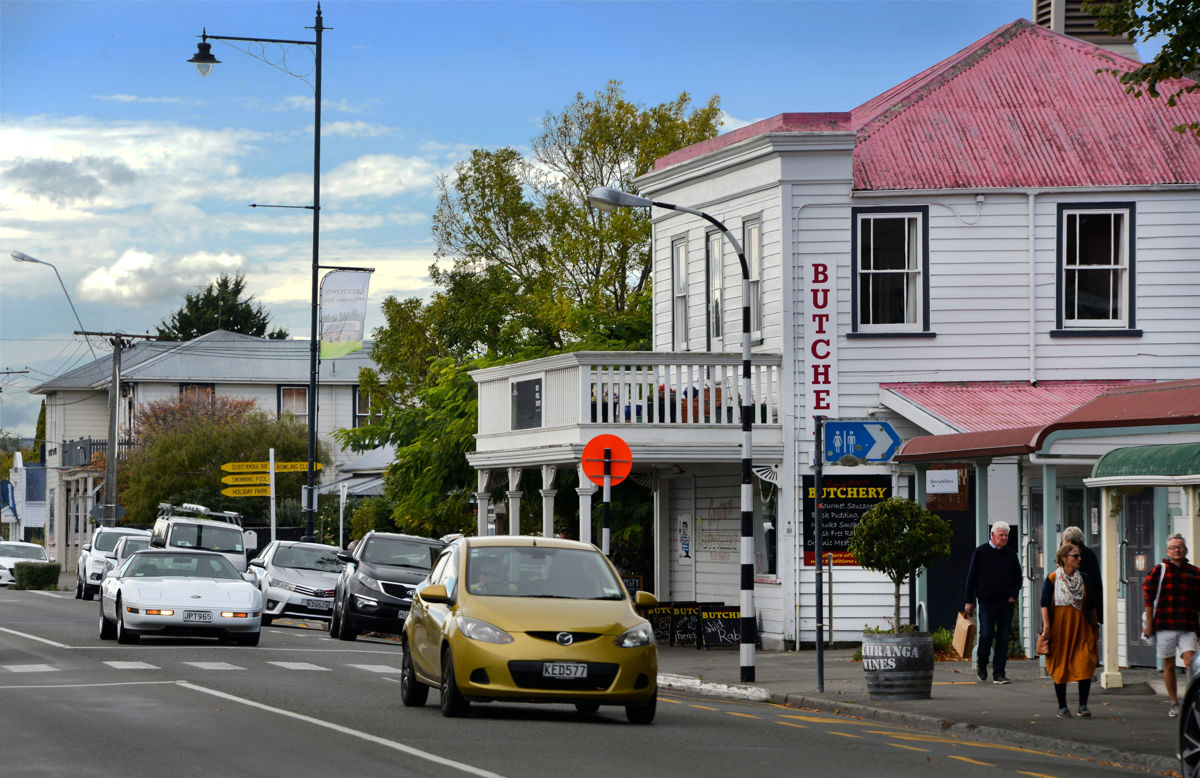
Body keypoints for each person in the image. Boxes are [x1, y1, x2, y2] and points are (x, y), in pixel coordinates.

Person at [1142, 534, 1200, 717]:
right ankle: (1174, 702)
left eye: (1180, 547)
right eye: (1173, 547)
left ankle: (1191, 700)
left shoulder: (1195, 573)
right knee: (1169, 665)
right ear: (1168, 551)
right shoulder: (1159, 571)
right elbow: (1148, 599)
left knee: (1190, 660)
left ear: (1186, 549)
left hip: (1188, 625)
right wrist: (1149, 625)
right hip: (1165, 625)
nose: (1177, 550)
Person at [1040, 542, 1100, 718]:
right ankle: (1062, 707)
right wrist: (1047, 627)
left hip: (1082, 628)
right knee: (1060, 666)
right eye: (1075, 556)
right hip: (1060, 630)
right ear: (1064, 558)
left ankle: (1083, 706)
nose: (1079, 558)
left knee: (1085, 664)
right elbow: (1044, 604)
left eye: (1079, 556)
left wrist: (1096, 625)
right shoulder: (1052, 579)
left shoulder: (1085, 579)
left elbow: (1091, 605)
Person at [964, 520, 1023, 684]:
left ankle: (999, 673)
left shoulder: (1010, 554)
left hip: (1006, 603)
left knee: (1003, 639)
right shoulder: (980, 552)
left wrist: (1013, 595)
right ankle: (982, 664)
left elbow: (1017, 577)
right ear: (992, 534)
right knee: (986, 635)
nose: (1004, 538)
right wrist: (969, 601)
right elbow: (971, 578)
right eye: (1001, 535)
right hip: (986, 602)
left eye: (1006, 535)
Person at [1063, 526, 1102, 624]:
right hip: (1092, 601)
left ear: (1069, 541)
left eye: (1063, 540)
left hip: (1082, 604)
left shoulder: (1076, 555)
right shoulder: (1089, 552)